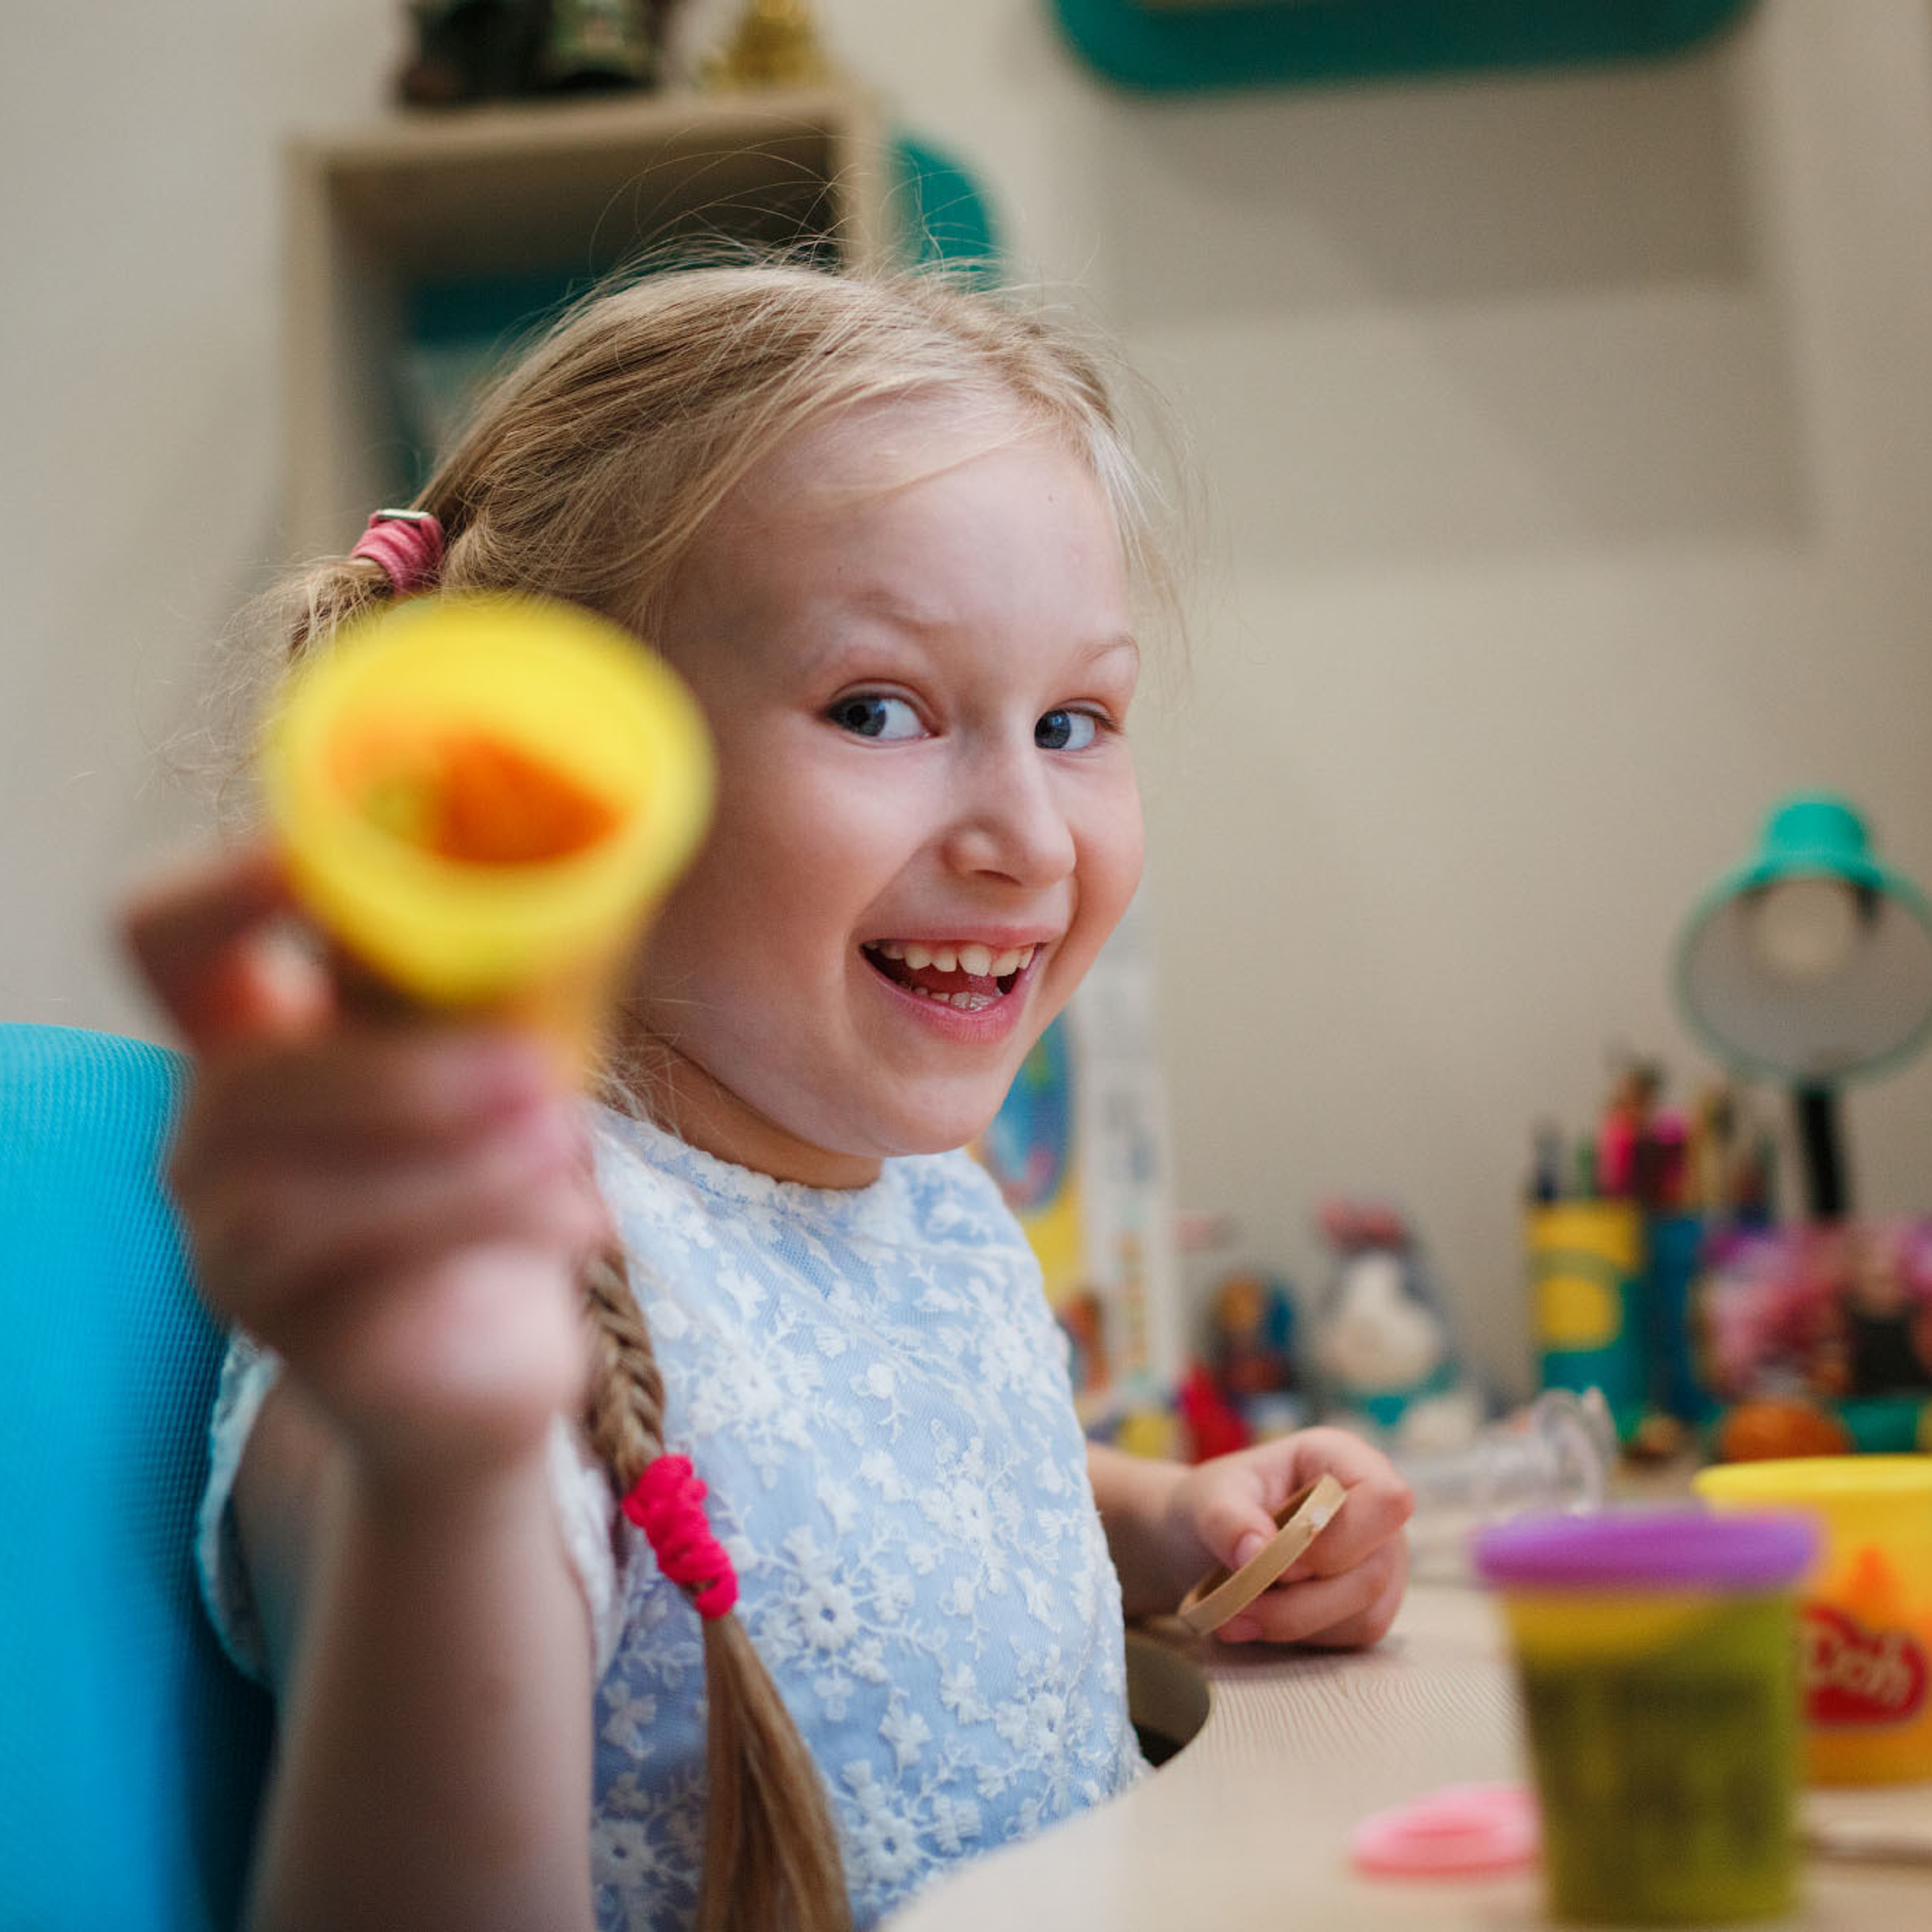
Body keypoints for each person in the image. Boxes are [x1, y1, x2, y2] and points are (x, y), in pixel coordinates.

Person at [122, 262, 1414, 1932]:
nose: (1026, 833)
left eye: (1074, 718)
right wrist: (438, 1471)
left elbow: (851, 1474)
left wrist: (1165, 1517)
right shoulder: (473, 1298)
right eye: (879, 708)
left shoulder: (905, 1191)